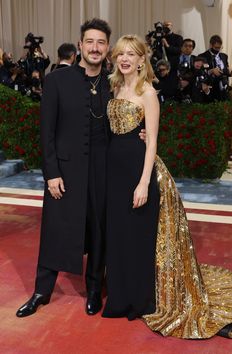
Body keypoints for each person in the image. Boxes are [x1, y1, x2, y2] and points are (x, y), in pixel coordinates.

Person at [102, 34, 232, 339]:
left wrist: (144, 183)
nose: (125, 59)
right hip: (115, 171)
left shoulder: (148, 92)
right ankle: (120, 296)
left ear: (141, 60)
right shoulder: (115, 86)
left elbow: (152, 142)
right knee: (120, 236)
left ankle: (138, 300)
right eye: (121, 53)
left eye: (131, 54)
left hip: (139, 170)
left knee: (138, 238)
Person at [16, 18, 112, 318]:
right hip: (65, 172)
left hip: (103, 170)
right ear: (80, 45)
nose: (95, 48)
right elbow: (46, 132)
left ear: (107, 48)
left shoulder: (115, 83)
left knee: (98, 230)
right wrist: (52, 173)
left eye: (101, 42)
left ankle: (95, 289)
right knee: (55, 230)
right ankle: (42, 291)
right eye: (90, 42)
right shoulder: (57, 80)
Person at [199, 35, 232, 101]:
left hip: (224, 87)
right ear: (211, 45)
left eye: (220, 48)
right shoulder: (203, 56)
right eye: (216, 47)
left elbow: (227, 68)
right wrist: (211, 71)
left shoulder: (224, 56)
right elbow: (200, 72)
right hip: (211, 87)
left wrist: (229, 70)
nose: (218, 50)